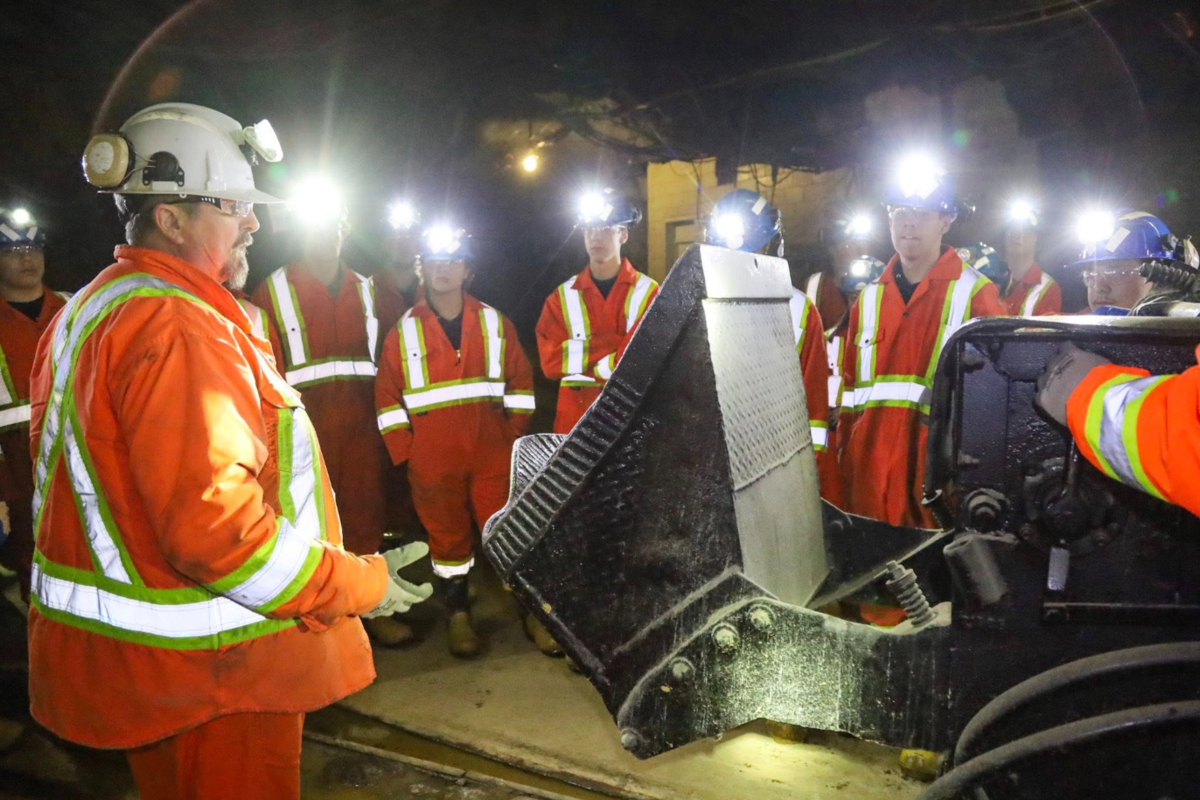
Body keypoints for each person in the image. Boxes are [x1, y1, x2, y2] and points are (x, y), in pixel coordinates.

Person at [37, 102, 432, 800]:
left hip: (153, 671)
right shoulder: (178, 326)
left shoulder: (93, 307)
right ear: (172, 218)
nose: (253, 222)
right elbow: (220, 536)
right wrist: (356, 585)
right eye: (234, 205)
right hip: (218, 674)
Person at [251, 180, 408, 645]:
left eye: (334, 224)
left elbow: (400, 352)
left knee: (364, 515)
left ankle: (368, 616)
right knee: (309, 524)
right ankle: (320, 623)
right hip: (303, 433)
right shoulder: (271, 292)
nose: (327, 235)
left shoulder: (368, 290)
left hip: (363, 426)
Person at [375, 226, 534, 657]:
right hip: (432, 458)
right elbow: (387, 397)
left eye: (452, 261)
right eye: (434, 261)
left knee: (508, 531)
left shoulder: (494, 323)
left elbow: (520, 382)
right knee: (447, 542)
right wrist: (407, 452)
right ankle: (458, 615)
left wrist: (511, 436)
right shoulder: (402, 332)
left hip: (491, 452)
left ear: (467, 270)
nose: (443, 269)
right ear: (422, 268)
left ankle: (532, 612)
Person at [838, 154, 1005, 531]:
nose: (909, 222)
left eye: (923, 212)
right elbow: (849, 400)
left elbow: (994, 406)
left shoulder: (976, 294)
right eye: (899, 211)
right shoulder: (869, 300)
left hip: (936, 492)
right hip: (867, 487)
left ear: (947, 221)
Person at [707, 188, 842, 505]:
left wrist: (814, 484)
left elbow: (814, 411)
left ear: (772, 247)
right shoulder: (694, 305)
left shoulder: (798, 310)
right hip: (713, 466)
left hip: (779, 472)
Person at [536, 188, 658, 435]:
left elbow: (649, 359)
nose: (595, 238)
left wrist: (582, 355)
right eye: (589, 230)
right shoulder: (561, 297)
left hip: (629, 421)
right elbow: (550, 364)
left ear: (623, 235)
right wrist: (616, 345)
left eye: (604, 229)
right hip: (574, 424)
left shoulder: (648, 292)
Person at [0, 207, 68, 596]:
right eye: (12, 251)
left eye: (32, 246)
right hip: (17, 475)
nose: (27, 258)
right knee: (33, 567)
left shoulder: (76, 307)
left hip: (84, 456)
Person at [1071, 209, 1175, 314]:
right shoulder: (1074, 326)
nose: (1098, 287)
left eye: (1118, 273)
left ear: (1161, 279)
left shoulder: (1186, 325)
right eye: (1090, 275)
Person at [807, 210, 882, 333]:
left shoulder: (878, 279)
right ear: (834, 250)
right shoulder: (816, 286)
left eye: (864, 244)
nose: (861, 251)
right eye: (851, 245)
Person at [999, 202, 1061, 315]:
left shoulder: (1046, 288)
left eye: (1026, 231)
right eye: (1012, 229)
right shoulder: (991, 279)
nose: (1017, 234)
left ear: (1039, 240)